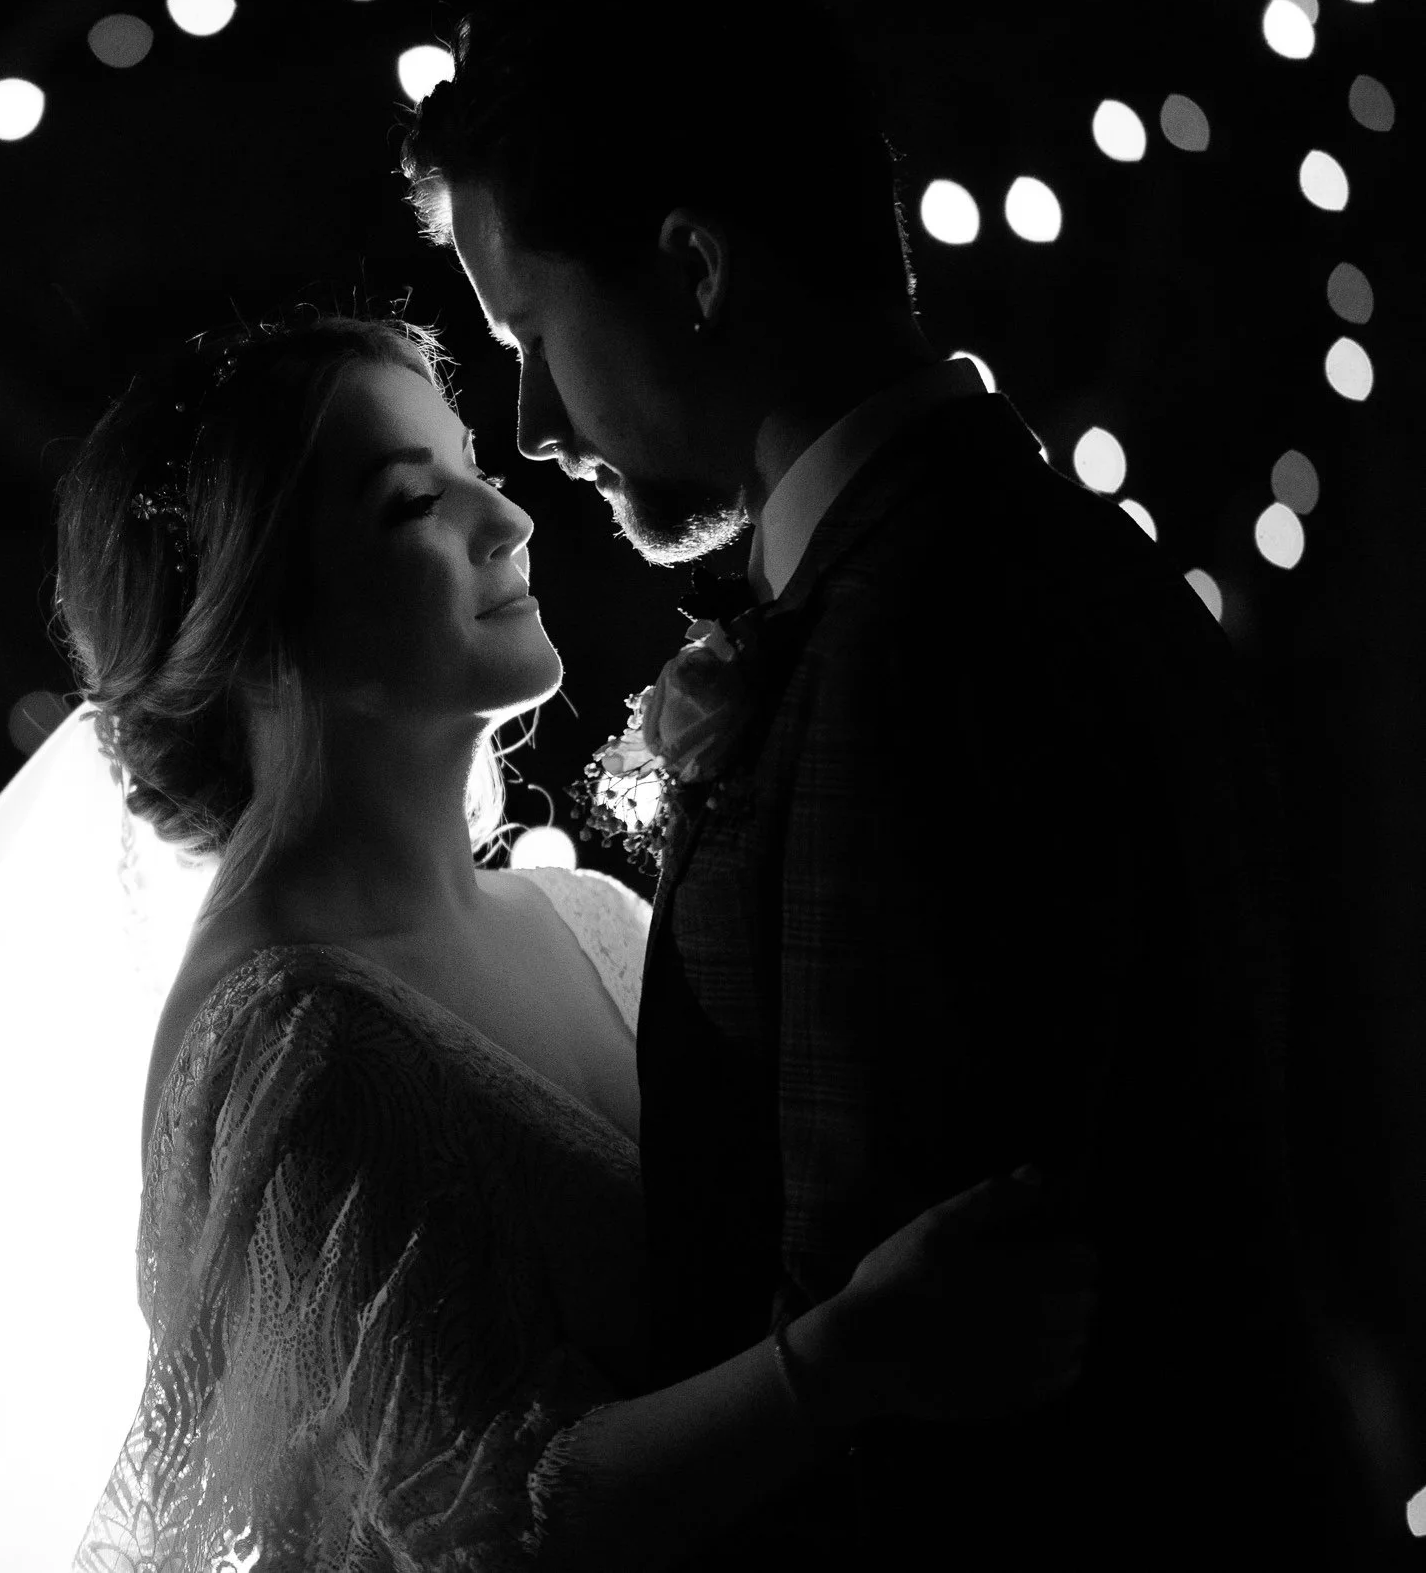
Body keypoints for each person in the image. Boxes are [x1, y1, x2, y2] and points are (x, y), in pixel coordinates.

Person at [401, 0, 1332, 1568]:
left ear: (693, 266)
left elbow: (907, 1398)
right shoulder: (1020, 563)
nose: (537, 421)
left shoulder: (923, 634)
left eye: (535, 327)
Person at [65, 310, 1093, 1568]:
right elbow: (484, 1521)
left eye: (472, 471)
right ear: (256, 620)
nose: (508, 519)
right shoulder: (297, 1045)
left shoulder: (590, 917)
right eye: (410, 502)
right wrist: (851, 1357)